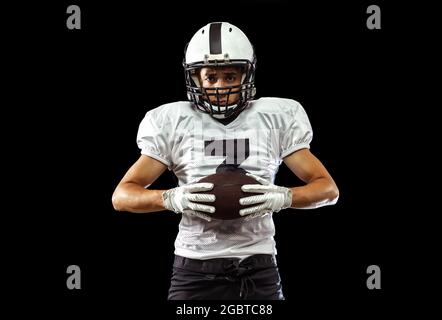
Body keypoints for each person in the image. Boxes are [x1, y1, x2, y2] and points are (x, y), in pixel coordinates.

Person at [112, 22, 339, 300]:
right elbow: (122, 197)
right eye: (211, 78)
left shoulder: (276, 117)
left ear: (246, 75)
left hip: (258, 264)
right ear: (196, 79)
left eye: (230, 76)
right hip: (194, 267)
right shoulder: (172, 122)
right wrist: (171, 198)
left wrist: (285, 196)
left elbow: (328, 190)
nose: (220, 87)